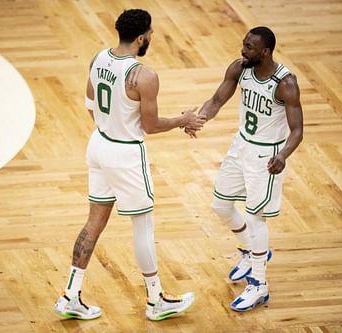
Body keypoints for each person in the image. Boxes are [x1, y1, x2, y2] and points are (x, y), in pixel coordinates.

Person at [54, 9, 204, 321]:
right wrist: (183, 120)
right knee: (143, 226)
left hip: (98, 145)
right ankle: (155, 301)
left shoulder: (98, 58)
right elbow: (150, 126)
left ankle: (70, 295)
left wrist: (111, 127)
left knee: (93, 222)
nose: (151, 37)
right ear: (140, 37)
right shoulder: (144, 76)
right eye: (149, 33)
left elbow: (90, 105)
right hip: (125, 155)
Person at [187, 26, 303, 311]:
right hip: (241, 146)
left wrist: (283, 155)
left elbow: (297, 130)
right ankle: (250, 251)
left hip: (266, 156)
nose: (243, 50)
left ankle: (260, 286)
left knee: (256, 217)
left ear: (265, 51)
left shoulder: (285, 83)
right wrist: (197, 118)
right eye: (243, 44)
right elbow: (216, 101)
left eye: (249, 47)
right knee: (220, 205)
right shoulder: (240, 68)